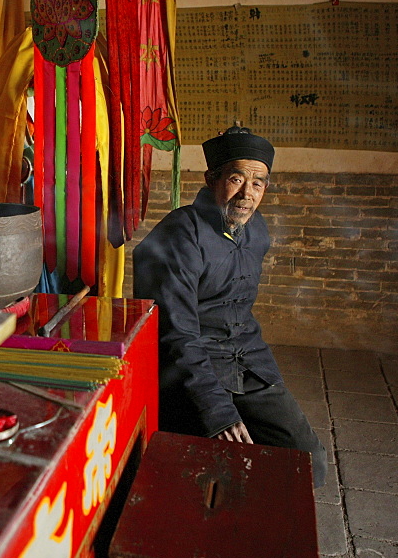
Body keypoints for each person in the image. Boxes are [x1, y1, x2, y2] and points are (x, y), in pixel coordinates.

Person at [133, 124, 327, 487]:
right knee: (218, 474)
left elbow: (240, 316)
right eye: (237, 179)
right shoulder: (179, 235)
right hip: (187, 370)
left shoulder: (258, 230)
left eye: (258, 184)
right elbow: (175, 335)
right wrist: (217, 412)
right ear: (211, 179)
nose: (247, 195)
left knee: (308, 464)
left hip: (247, 364)